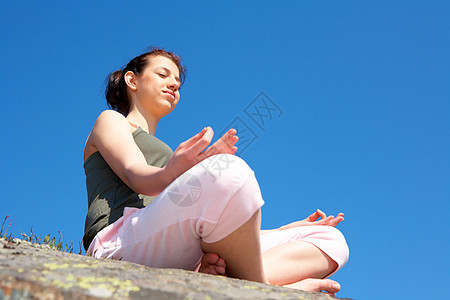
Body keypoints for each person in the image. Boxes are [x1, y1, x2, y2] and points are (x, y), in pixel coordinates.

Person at [82, 47, 349, 296]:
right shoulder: (111, 120)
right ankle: (266, 289)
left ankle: (240, 279)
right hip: (119, 244)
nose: (174, 83)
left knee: (330, 240)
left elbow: (204, 218)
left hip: (171, 244)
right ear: (132, 80)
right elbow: (134, 173)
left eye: (177, 80)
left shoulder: (171, 160)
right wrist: (178, 172)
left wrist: (282, 229)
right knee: (228, 171)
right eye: (163, 74)